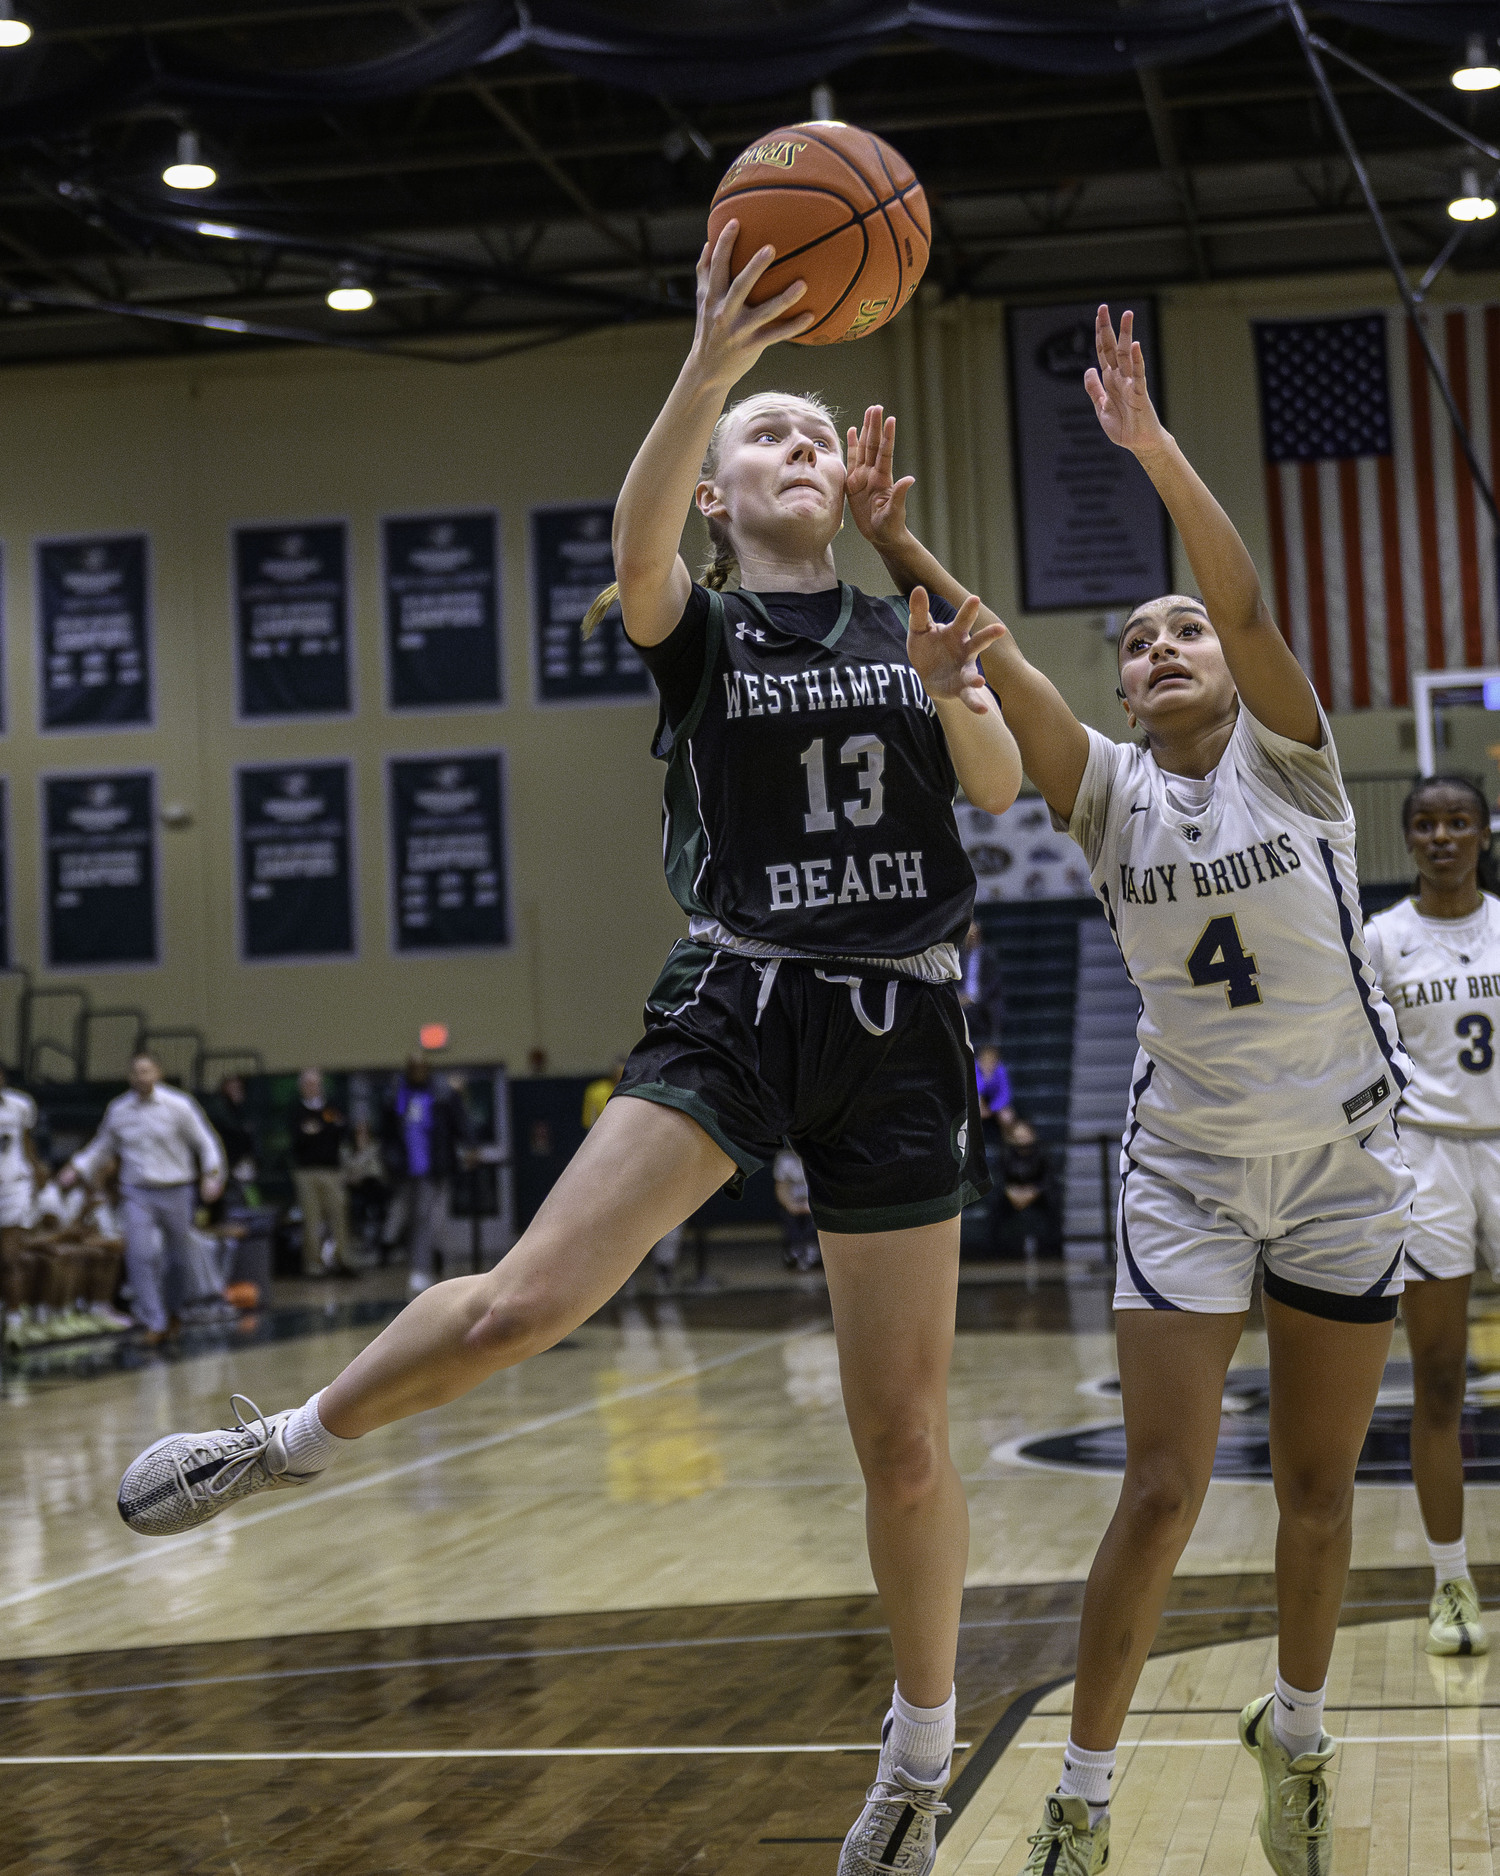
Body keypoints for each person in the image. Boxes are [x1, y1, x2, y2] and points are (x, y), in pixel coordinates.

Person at [114, 220, 1022, 1876]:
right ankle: (288, 1446)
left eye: (818, 431)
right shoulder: (695, 622)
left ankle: (917, 1751)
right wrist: (711, 363)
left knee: (902, 1435)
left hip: (901, 1021)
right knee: (532, 1298)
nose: (798, 445)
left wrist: (954, 664)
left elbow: (998, 788)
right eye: (771, 435)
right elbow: (640, 531)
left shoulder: (913, 622)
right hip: (739, 999)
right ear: (729, 493)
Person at [858, 305, 1411, 1876]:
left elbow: (1237, 591)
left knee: (1316, 1492)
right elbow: (998, 663)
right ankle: (1080, 1803)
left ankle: (1294, 1744)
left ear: (1229, 675)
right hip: (1184, 1167)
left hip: (1342, 1164)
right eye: (1136, 642)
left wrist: (1151, 447)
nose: (1161, 648)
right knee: (1162, 1491)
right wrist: (898, 542)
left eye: (1180, 635)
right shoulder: (1103, 797)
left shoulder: (1292, 761)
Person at [1365, 775, 1500, 1658]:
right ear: (1409, 838)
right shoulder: (1381, 939)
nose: (1443, 836)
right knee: (1441, 1380)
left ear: (1485, 833)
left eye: (1459, 821)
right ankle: (1451, 1581)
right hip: (1429, 1159)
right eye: (1427, 824)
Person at [62, 1052, 226, 1347]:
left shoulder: (179, 1105)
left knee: (178, 1258)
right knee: (139, 1254)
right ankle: (155, 1321)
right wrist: (76, 1167)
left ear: (158, 1073)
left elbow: (205, 1142)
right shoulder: (119, 1109)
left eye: (147, 1071)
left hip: (176, 1189)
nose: (141, 1077)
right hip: (137, 1191)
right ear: (130, 1077)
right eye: (136, 1072)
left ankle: (173, 1310)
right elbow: (102, 1146)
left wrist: (212, 1175)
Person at [380, 1056, 473, 1294]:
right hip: (406, 1171)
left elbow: (459, 1122)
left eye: (422, 1068)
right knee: (412, 1219)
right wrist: (390, 1161)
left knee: (427, 1220)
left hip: (434, 1169)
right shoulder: (396, 1095)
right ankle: (421, 1262)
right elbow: (387, 1133)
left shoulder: (442, 1093)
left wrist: (470, 1147)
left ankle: (425, 1267)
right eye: (414, 1068)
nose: (418, 1072)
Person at [290, 1069, 357, 1278]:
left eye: (317, 1084)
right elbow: (299, 1136)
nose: (314, 1088)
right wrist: (319, 1130)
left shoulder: (331, 1108)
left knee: (339, 1215)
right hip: (306, 1172)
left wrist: (320, 1129)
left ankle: (342, 1260)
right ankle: (314, 1265)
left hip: (332, 1170)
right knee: (312, 1219)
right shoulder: (296, 1110)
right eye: (309, 1084)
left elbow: (339, 1129)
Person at [958, 920, 1004, 1048]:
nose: (971, 937)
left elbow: (993, 984)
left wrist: (973, 998)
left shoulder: (988, 955)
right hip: (961, 1000)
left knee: (991, 1010)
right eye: (969, 934)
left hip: (983, 1000)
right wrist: (960, 997)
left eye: (974, 933)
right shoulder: (958, 956)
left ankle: (990, 1051)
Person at [773, 1143, 819, 1271]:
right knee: (788, 1216)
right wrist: (790, 1205)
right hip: (794, 1200)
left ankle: (813, 1250)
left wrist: (811, 1205)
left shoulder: (818, 1156)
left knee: (815, 1218)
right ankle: (794, 1251)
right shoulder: (784, 1158)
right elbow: (781, 1187)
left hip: (816, 1200)